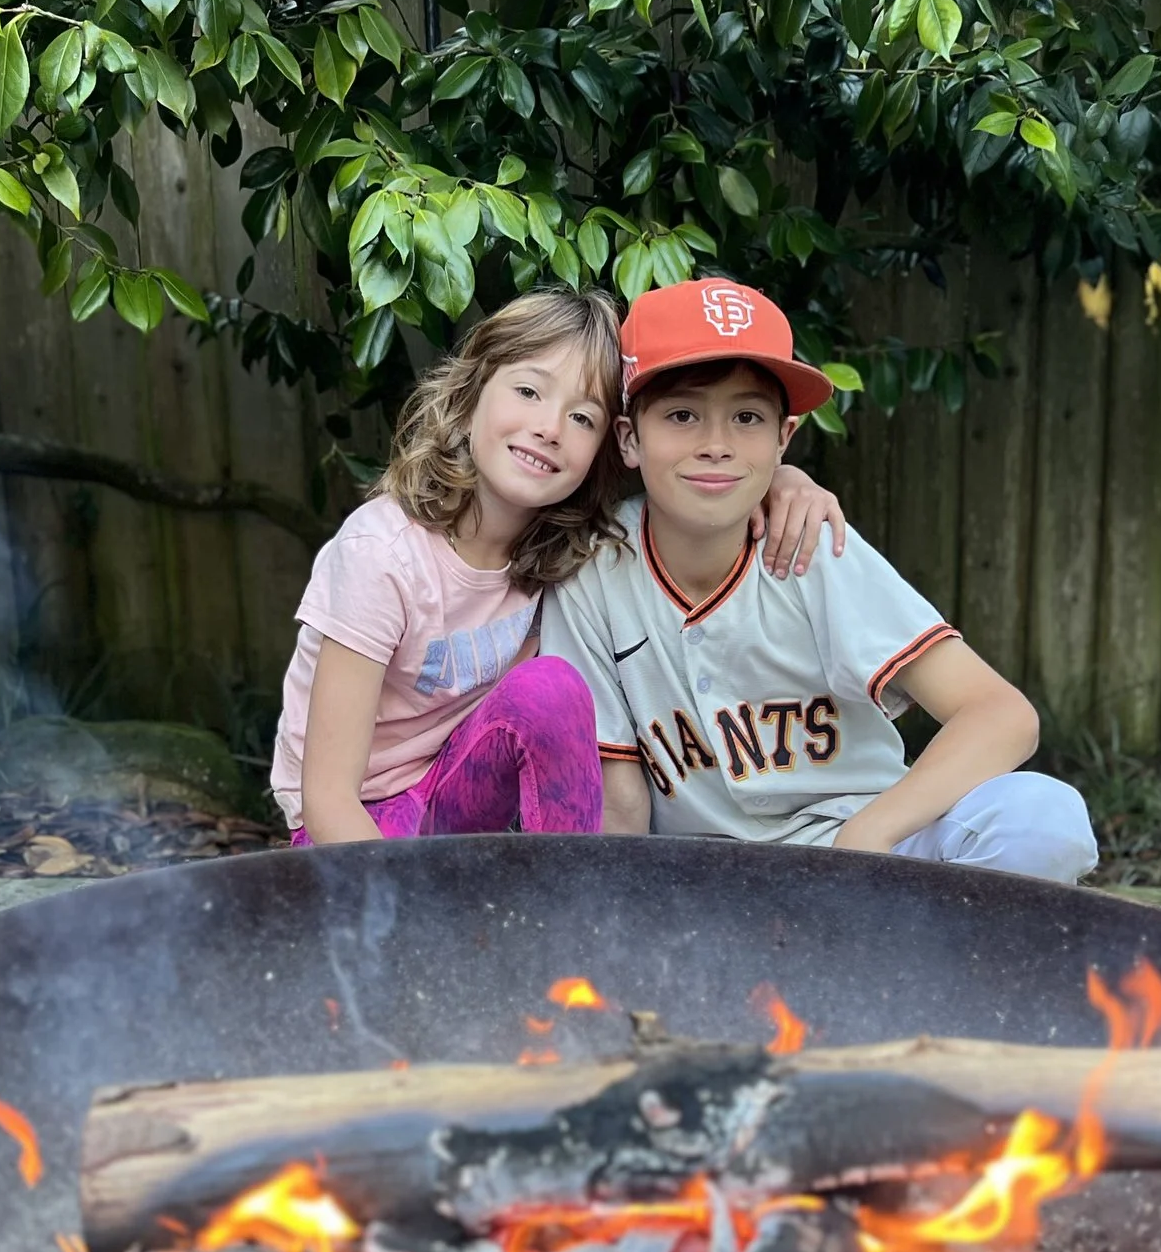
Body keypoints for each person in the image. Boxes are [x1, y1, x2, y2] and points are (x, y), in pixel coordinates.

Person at [540, 278, 1097, 881]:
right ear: (629, 438)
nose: (717, 445)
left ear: (784, 438)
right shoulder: (594, 572)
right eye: (682, 415)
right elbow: (618, 801)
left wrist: (870, 835)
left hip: (869, 854)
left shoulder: (811, 543)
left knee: (1043, 818)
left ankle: (926, 946)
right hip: (705, 885)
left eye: (747, 417)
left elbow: (1002, 714)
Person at [272, 288, 852, 844]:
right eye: (529, 391)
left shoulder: (568, 553)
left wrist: (782, 479)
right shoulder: (382, 555)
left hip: (458, 795)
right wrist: (395, 902)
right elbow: (328, 800)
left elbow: (692, 485)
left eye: (582, 419)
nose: (550, 429)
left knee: (549, 689)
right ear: (470, 395)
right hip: (357, 817)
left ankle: (573, 894)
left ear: (607, 447)